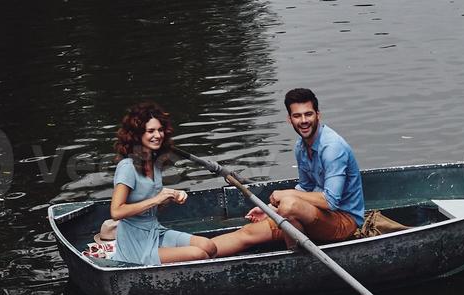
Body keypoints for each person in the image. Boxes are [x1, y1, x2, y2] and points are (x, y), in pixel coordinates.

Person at [210, 88, 366, 257]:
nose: (304, 120)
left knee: (289, 205)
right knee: (248, 233)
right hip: (310, 215)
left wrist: (286, 195)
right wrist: (270, 209)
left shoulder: (332, 148)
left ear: (318, 115)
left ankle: (296, 259)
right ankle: (193, 254)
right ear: (290, 119)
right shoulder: (301, 146)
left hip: (344, 221)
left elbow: (331, 201)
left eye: (309, 114)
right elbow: (306, 188)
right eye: (297, 116)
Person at [110, 103, 217, 266]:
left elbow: (153, 208)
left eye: (160, 130)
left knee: (209, 246)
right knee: (198, 254)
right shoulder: (127, 166)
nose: (158, 135)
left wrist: (170, 198)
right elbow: (116, 212)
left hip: (155, 231)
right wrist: (158, 199)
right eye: (151, 131)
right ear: (137, 135)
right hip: (135, 241)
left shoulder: (155, 164)